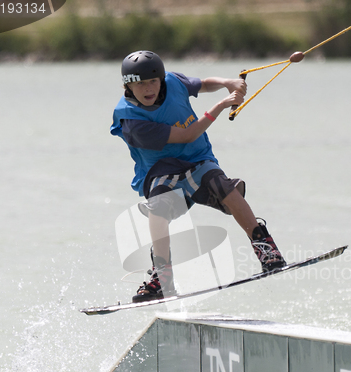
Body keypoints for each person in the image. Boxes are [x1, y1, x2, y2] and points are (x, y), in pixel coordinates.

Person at [111, 50, 286, 303]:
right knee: (157, 210)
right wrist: (222, 105)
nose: (147, 89)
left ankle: (266, 250)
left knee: (225, 188)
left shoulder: (173, 81)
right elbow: (187, 135)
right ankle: (162, 278)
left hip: (198, 160)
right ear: (128, 85)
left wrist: (227, 83)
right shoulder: (132, 120)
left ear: (161, 79)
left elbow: (203, 84)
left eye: (152, 81)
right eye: (139, 84)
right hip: (161, 170)